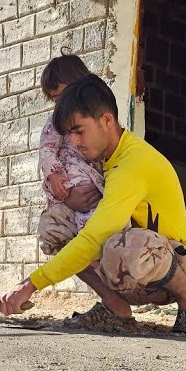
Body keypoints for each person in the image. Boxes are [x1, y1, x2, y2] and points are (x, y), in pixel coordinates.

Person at [0, 74, 186, 336]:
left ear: (106, 120)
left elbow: (95, 238)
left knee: (118, 245)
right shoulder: (101, 160)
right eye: (69, 135)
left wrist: (30, 285)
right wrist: (69, 199)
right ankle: (116, 307)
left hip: (176, 261)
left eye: (79, 131)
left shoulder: (133, 162)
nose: (75, 143)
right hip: (134, 267)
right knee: (55, 224)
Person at [36, 55, 106, 256]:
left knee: (98, 232)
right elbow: (47, 149)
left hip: (95, 186)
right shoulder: (56, 121)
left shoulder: (98, 116)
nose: (61, 103)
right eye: (56, 99)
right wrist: (54, 175)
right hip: (69, 182)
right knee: (62, 235)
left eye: (63, 95)